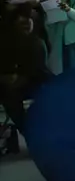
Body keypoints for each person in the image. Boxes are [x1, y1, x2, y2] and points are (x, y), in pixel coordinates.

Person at [0, 13, 48, 153]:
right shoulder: (6, 43)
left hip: (36, 81)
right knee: (9, 96)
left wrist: (18, 80)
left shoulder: (37, 43)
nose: (25, 23)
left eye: (28, 21)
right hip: (10, 84)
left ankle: (35, 135)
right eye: (21, 21)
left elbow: (37, 71)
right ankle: (29, 134)